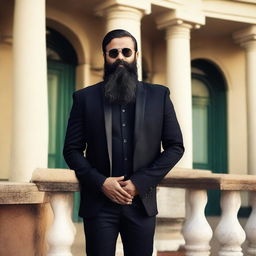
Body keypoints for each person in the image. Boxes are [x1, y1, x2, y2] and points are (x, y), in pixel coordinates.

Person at [63, 29, 184, 256]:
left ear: (135, 56)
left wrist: (141, 182)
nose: (120, 57)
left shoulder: (160, 96)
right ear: (105, 57)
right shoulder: (84, 98)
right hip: (99, 205)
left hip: (141, 205)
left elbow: (175, 146)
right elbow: (71, 150)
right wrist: (101, 182)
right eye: (113, 53)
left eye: (126, 52)